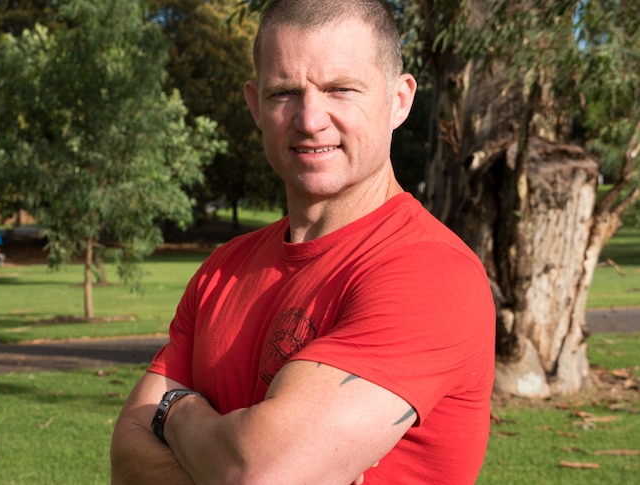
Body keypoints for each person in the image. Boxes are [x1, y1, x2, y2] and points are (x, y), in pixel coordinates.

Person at [110, 0, 495, 483]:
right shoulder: (222, 270)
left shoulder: (432, 273)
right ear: (255, 105)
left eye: (341, 89)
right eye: (284, 93)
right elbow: (126, 460)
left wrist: (174, 411)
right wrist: (226, 453)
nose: (310, 119)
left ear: (399, 100)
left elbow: (260, 473)